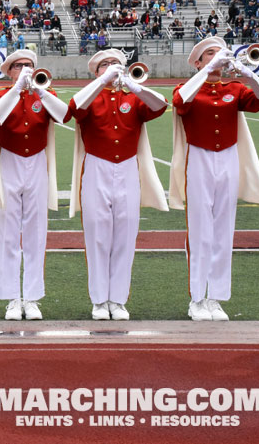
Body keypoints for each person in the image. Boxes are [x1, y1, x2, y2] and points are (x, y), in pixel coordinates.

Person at [169, 37, 259, 321]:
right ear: (199, 62)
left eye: (219, 54)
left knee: (223, 230)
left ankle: (215, 298)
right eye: (209, 55)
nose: (216, 58)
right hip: (199, 158)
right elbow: (179, 102)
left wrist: (249, 73)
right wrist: (206, 72)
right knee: (200, 229)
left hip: (228, 158)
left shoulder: (234, 88)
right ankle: (196, 298)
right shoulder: (188, 87)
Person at [68, 49, 168, 321]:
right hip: (97, 167)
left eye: (116, 64)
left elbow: (160, 106)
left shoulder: (132, 97)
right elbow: (74, 109)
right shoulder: (92, 94)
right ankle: (100, 300)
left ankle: (119, 300)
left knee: (125, 234)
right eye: (105, 65)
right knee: (98, 234)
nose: (112, 68)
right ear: (96, 71)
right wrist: (101, 82)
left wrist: (133, 84)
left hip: (126, 167)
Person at [0, 50, 68, 320]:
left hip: (37, 162)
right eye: (18, 66)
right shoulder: (1, 94)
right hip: (9, 161)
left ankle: (32, 298)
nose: (24, 69)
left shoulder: (44, 92)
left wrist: (39, 91)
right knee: (8, 232)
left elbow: (64, 115)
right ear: (9, 71)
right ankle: (12, 297)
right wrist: (18, 89)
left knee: (35, 232)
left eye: (28, 65)